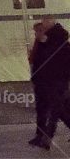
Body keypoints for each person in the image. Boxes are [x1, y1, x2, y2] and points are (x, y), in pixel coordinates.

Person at [32, 17, 70, 149]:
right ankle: (44, 138)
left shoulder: (58, 44)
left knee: (57, 109)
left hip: (56, 82)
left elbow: (54, 64)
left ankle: (45, 138)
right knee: (56, 110)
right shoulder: (50, 43)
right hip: (50, 81)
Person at [29, 22, 49, 147]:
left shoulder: (46, 45)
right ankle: (40, 135)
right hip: (40, 81)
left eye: (37, 31)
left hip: (47, 82)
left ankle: (42, 136)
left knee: (47, 110)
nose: (35, 34)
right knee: (42, 110)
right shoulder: (38, 44)